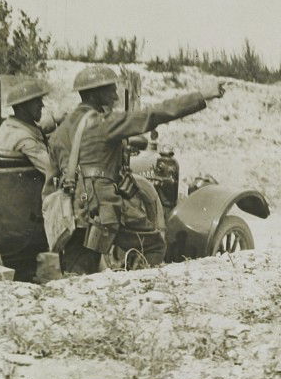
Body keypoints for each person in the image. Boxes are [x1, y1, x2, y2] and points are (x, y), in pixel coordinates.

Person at [47, 64, 225, 274]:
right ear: (95, 94)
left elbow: (51, 182)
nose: (114, 95)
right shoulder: (103, 123)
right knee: (153, 245)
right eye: (110, 89)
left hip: (73, 214)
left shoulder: (60, 132)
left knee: (79, 272)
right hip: (101, 209)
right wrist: (203, 95)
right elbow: (154, 114)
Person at [0, 77, 56, 179]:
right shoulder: (24, 139)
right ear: (21, 107)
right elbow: (52, 168)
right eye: (36, 101)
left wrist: (54, 120)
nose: (42, 105)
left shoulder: (8, 126)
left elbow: (38, 129)